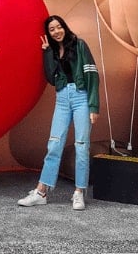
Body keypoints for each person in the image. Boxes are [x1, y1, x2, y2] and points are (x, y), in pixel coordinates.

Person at [17, 15, 100, 210]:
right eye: (52, 29)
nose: (56, 31)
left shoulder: (79, 45)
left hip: (81, 98)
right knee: (54, 145)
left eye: (58, 27)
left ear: (64, 27)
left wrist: (93, 105)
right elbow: (51, 79)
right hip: (62, 98)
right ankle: (41, 192)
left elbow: (92, 74)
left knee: (81, 146)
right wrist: (46, 53)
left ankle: (79, 192)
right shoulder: (53, 51)